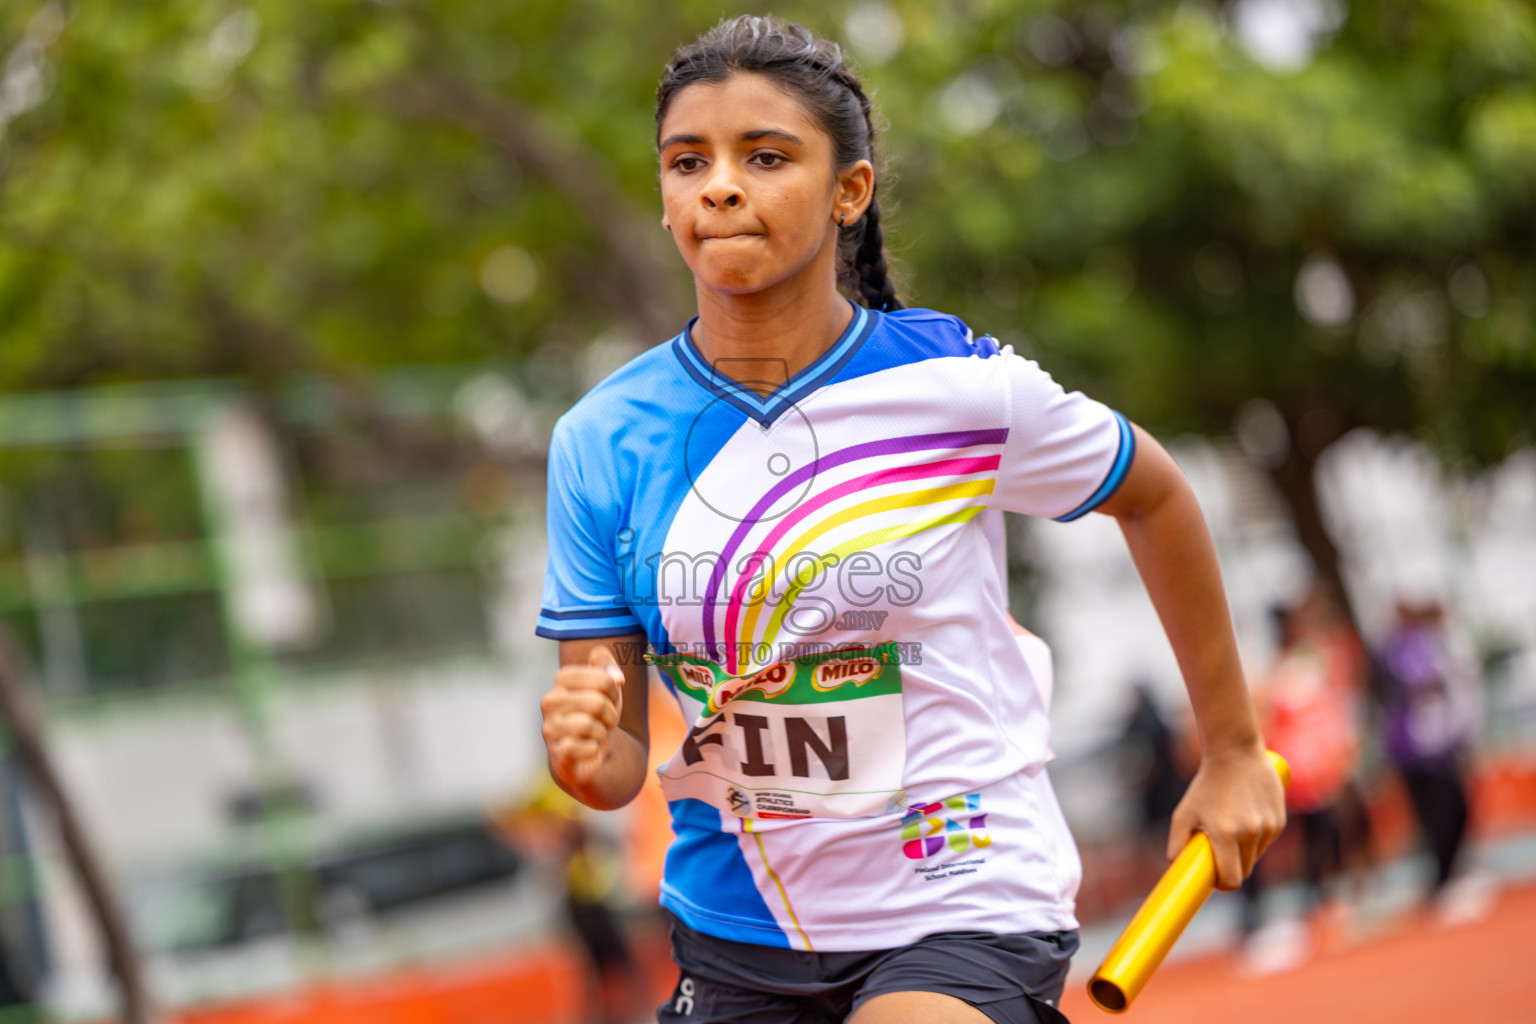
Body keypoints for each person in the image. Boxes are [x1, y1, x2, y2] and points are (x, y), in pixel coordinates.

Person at [536, 17, 1285, 1023]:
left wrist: (1233, 749)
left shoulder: (958, 388)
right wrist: (586, 760)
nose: (718, 185)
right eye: (687, 161)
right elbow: (619, 761)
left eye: (765, 156)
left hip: (963, 885)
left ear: (851, 190)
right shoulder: (599, 441)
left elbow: (1155, 494)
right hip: (743, 927)